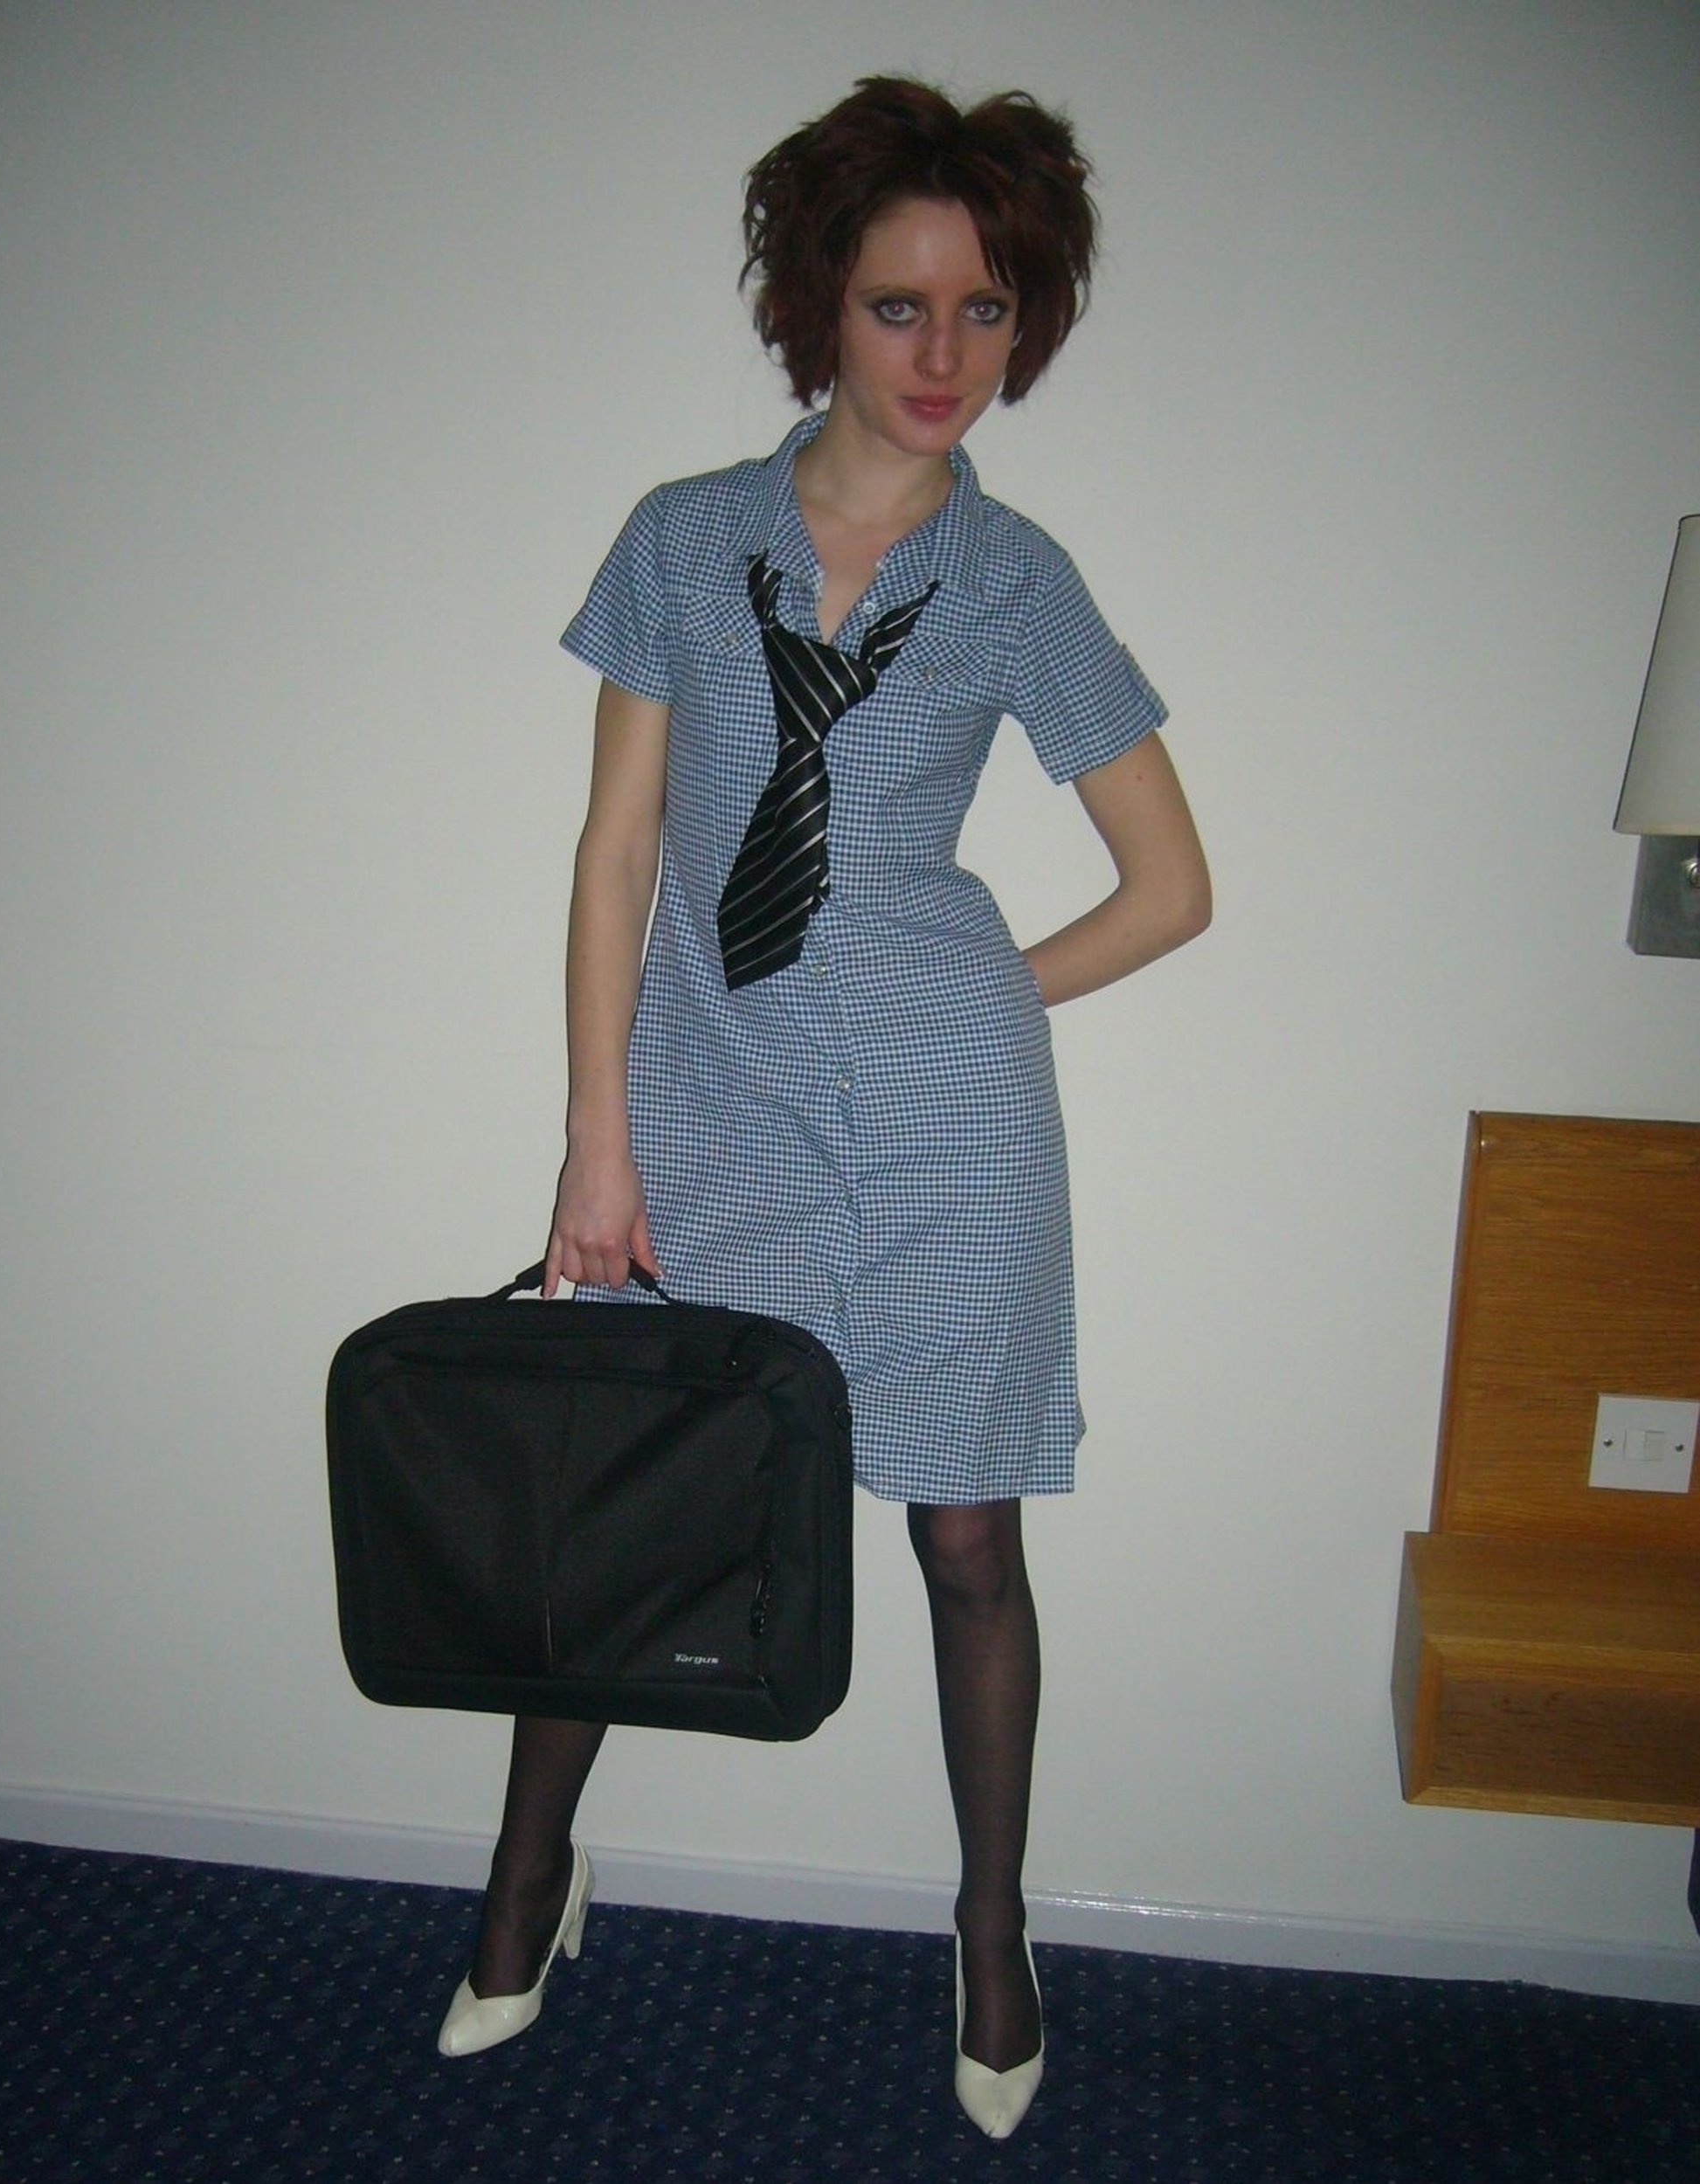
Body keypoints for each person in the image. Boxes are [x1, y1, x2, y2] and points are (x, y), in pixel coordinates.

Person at [438, 76, 1210, 2139]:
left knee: (964, 1533)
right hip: (705, 1099)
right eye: (898, 304)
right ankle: (527, 1875)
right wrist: (594, 1139)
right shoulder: (681, 540)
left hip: (953, 1125)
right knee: (625, 1506)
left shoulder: (1022, 582)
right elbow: (617, 854)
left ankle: (989, 1927)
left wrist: (979, 988)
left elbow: (1171, 888)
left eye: (986, 308)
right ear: (817, 306)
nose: (944, 353)